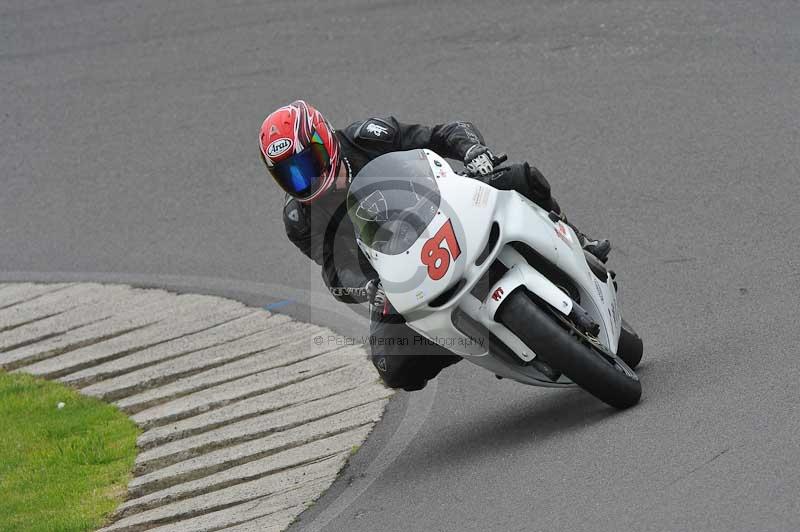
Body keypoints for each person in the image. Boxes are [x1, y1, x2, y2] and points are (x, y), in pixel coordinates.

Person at [259, 100, 610, 391]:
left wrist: (473, 152)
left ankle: (576, 239)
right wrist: (367, 287)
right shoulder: (300, 220)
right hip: (396, 274)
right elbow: (334, 270)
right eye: (291, 175)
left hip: (445, 212)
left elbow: (442, 134)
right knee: (392, 366)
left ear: (325, 139)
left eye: (308, 164)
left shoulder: (368, 137)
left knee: (519, 178)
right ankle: (472, 339)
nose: (306, 179)